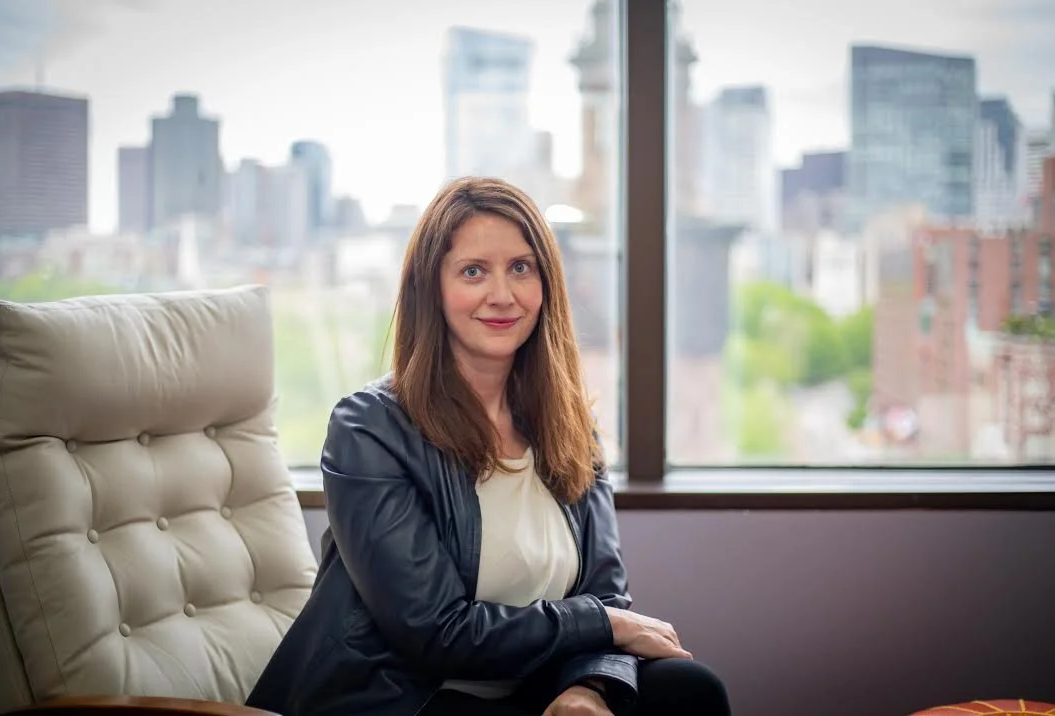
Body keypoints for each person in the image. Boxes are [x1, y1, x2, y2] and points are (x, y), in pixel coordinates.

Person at [246, 177, 731, 716]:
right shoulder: (368, 429)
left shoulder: (570, 424)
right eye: (473, 271)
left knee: (690, 689)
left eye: (521, 268)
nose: (502, 295)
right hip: (409, 697)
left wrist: (587, 687)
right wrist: (603, 624)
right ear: (432, 289)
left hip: (529, 686)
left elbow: (605, 594)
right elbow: (436, 631)